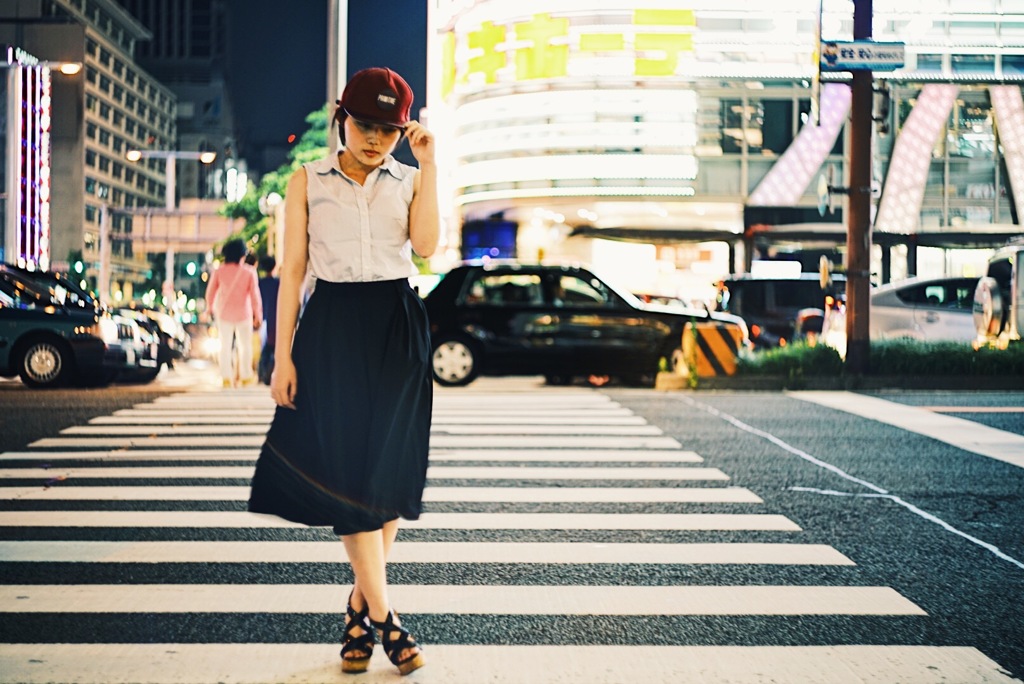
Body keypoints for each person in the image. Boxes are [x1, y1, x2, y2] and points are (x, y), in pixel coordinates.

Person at [247, 67, 437, 677]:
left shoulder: (409, 180)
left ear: (402, 130)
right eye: (364, 124)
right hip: (332, 324)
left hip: (397, 324)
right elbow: (292, 271)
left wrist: (429, 166)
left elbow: (428, 248)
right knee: (350, 474)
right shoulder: (308, 181)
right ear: (342, 118)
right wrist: (282, 356)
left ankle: (358, 614)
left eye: (388, 128)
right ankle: (388, 621)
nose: (375, 138)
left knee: (388, 476)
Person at [206, 238, 262, 387]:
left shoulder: (219, 271)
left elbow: (210, 292)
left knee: (225, 347)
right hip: (244, 315)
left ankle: (226, 378)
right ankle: (245, 376)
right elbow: (255, 295)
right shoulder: (249, 272)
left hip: (224, 314)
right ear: (241, 254)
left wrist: (210, 308)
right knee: (245, 347)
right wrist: (258, 314)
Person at [256, 255, 279, 385]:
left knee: (264, 349)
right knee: (274, 348)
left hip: (263, 319)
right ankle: (271, 374)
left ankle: (263, 374)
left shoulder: (259, 283)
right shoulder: (278, 283)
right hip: (276, 319)